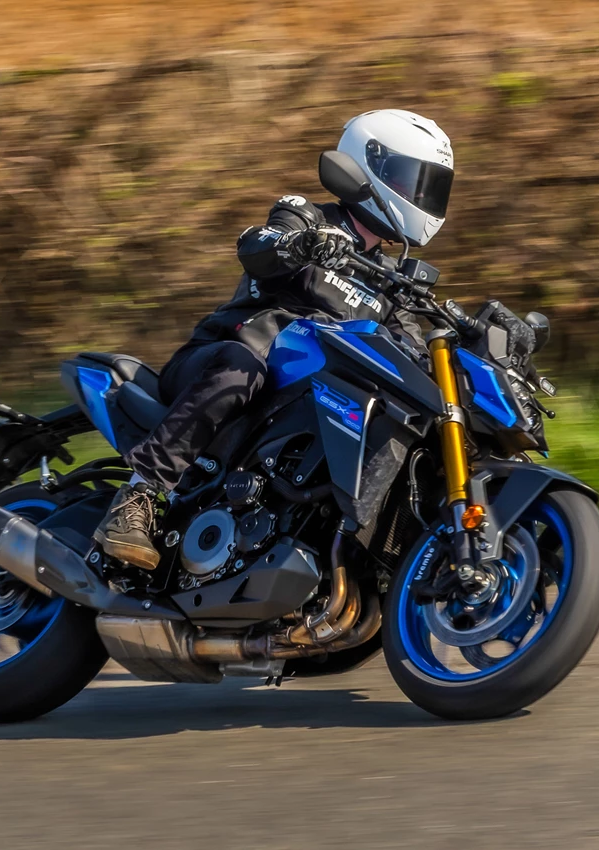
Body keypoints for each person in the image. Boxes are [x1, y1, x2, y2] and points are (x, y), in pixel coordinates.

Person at [94, 109, 455, 570]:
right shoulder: (306, 218)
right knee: (240, 366)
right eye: (408, 180)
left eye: (427, 186)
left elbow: (412, 351)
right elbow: (257, 246)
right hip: (219, 363)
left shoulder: (392, 287)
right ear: (370, 168)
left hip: (296, 401)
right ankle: (139, 496)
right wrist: (296, 244)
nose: (417, 196)